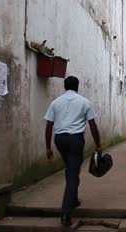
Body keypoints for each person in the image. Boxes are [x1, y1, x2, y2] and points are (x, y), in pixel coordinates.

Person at [44, 76, 102, 227]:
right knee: (72, 175)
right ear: (77, 86)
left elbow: (49, 125)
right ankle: (66, 214)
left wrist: (48, 147)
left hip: (60, 140)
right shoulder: (84, 102)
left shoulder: (55, 102)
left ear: (64, 86)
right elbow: (93, 125)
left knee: (70, 169)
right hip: (75, 141)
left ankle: (74, 199)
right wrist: (98, 144)